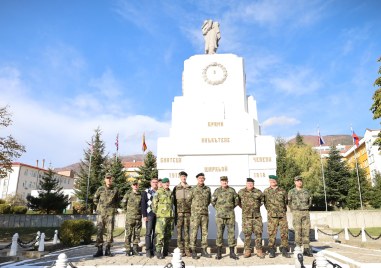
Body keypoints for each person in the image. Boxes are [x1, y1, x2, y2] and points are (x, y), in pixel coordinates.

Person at [211, 176, 239, 260]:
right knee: (219, 234)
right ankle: (219, 253)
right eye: (223, 181)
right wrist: (219, 209)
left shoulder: (232, 190)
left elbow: (236, 201)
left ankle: (232, 253)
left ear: (228, 181)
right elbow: (213, 202)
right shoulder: (217, 191)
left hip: (230, 215)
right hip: (220, 216)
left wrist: (229, 208)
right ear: (220, 182)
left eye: (225, 181)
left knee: (231, 234)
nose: (224, 182)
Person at [93, 173, 119, 257]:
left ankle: (108, 249)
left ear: (112, 179)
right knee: (99, 231)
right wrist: (100, 207)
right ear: (105, 180)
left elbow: (117, 200)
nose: (108, 180)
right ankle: (99, 250)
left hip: (110, 214)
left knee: (110, 231)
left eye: (110, 178)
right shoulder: (100, 189)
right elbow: (95, 199)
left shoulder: (115, 189)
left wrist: (113, 208)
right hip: (101, 213)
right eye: (107, 178)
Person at [263, 175, 290, 258]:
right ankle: (272, 250)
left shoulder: (282, 191)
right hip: (272, 216)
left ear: (277, 181)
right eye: (271, 180)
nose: (273, 181)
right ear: (269, 181)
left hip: (282, 215)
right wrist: (271, 210)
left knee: (284, 233)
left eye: (274, 180)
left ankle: (284, 250)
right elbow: (265, 203)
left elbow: (285, 201)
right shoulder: (266, 191)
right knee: (271, 233)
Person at [238, 178, 265, 259]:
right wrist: (245, 208)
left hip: (257, 217)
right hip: (246, 217)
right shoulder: (241, 192)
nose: (250, 185)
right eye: (248, 183)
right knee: (247, 234)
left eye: (251, 183)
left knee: (258, 234)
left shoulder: (258, 192)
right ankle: (247, 251)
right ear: (246, 184)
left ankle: (259, 250)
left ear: (253, 184)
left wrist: (255, 207)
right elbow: (238, 201)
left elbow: (262, 201)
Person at [288, 176, 313, 257]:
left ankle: (306, 248)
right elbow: (289, 202)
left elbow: (310, 201)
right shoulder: (291, 191)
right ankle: (298, 248)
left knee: (306, 230)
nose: (299, 182)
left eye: (300, 181)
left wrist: (305, 207)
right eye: (297, 181)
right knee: (298, 230)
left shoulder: (306, 191)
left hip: (305, 212)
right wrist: (294, 209)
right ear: (295, 182)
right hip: (296, 213)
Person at [189, 172, 212, 259]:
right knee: (194, 233)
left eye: (202, 178)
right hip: (195, 215)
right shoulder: (193, 189)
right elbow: (189, 201)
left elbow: (209, 200)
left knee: (205, 233)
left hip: (205, 214)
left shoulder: (207, 189)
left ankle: (204, 250)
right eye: (199, 178)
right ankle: (193, 251)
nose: (201, 179)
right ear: (197, 179)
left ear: (204, 179)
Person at [152, 177, 174, 259]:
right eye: (165, 183)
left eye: (168, 183)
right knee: (160, 234)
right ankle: (158, 252)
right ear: (163, 184)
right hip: (162, 217)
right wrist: (157, 213)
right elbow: (154, 204)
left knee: (168, 234)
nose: (167, 184)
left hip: (170, 217)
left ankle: (165, 251)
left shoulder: (170, 192)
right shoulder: (159, 192)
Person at [173, 171, 192, 257]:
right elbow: (174, 201)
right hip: (179, 213)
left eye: (185, 176)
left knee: (187, 231)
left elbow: (192, 200)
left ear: (186, 178)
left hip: (188, 213)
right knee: (179, 232)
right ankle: (181, 250)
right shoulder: (176, 188)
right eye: (182, 176)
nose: (183, 178)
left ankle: (187, 250)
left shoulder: (190, 188)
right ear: (180, 177)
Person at [121, 179, 142, 256]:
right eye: (134, 184)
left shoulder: (140, 194)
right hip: (130, 217)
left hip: (138, 217)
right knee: (128, 234)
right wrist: (128, 211)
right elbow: (123, 204)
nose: (135, 186)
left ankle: (135, 250)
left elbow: (142, 205)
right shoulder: (128, 194)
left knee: (137, 234)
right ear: (131, 186)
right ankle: (127, 250)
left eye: (136, 184)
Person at [141, 177, 159, 258]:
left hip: (157, 215)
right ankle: (148, 250)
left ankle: (154, 250)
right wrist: (144, 215)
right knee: (148, 233)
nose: (155, 183)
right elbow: (143, 204)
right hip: (149, 214)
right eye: (153, 182)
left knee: (155, 234)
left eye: (156, 182)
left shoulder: (159, 191)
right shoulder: (146, 191)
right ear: (150, 183)